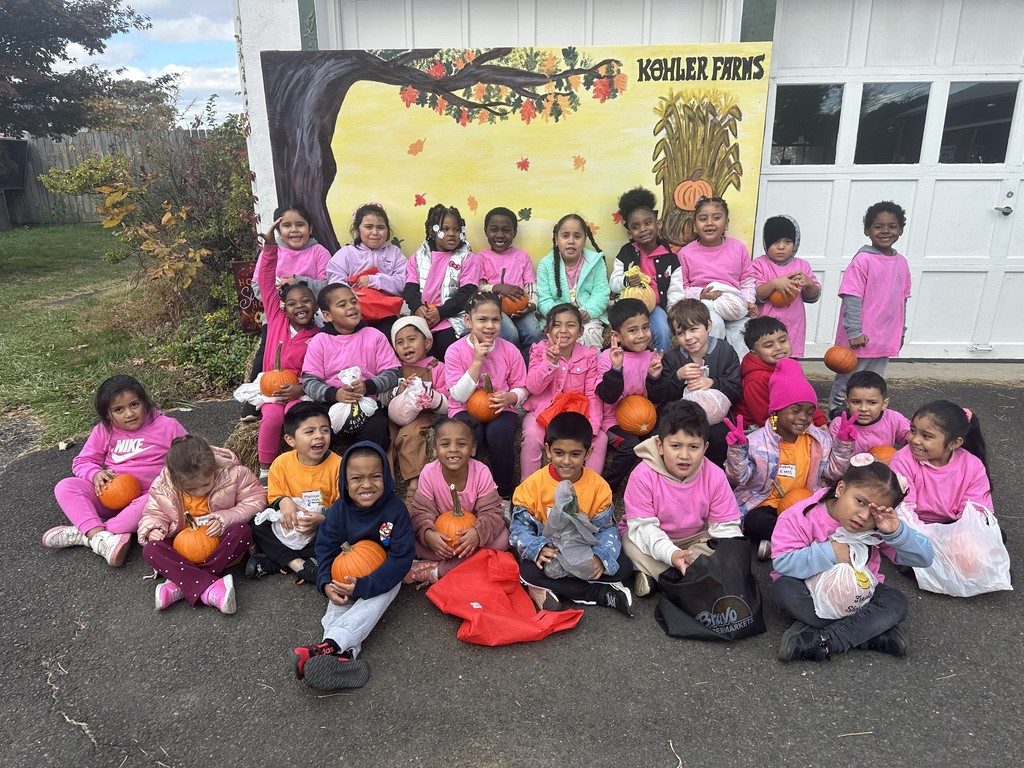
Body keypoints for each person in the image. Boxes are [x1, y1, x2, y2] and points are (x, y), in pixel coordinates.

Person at [772, 455, 934, 661]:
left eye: (874, 511)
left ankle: (824, 640)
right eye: (860, 502)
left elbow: (925, 559)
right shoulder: (800, 516)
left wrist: (897, 533)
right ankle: (869, 633)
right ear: (840, 489)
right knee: (782, 590)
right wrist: (830, 552)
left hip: (860, 597)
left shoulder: (879, 526)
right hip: (809, 593)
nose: (864, 516)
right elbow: (782, 563)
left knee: (896, 602)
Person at [292, 442, 414, 691]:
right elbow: (325, 550)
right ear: (345, 482)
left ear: (387, 478)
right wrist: (325, 583)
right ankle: (344, 656)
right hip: (345, 575)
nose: (367, 485)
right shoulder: (338, 512)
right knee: (338, 602)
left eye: (375, 477)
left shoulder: (396, 511)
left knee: (383, 592)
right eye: (357, 478)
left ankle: (327, 645)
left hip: (383, 575)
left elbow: (401, 559)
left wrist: (367, 584)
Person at [44, 375, 187, 567]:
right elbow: (82, 460)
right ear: (108, 414)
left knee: (139, 510)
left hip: (150, 497)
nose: (129, 413)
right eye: (119, 410)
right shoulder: (105, 431)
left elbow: (189, 455)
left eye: (134, 404)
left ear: (145, 402)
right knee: (66, 487)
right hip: (111, 495)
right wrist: (95, 473)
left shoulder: (168, 426)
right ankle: (101, 536)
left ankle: (86, 533)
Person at [725, 358, 856, 559]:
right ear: (776, 411)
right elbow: (739, 478)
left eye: (810, 412)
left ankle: (781, 544)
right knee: (755, 523)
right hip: (768, 505)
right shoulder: (756, 441)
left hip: (806, 503)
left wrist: (843, 446)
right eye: (795, 411)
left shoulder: (819, 440)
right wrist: (737, 450)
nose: (803, 417)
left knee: (827, 516)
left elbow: (833, 473)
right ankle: (803, 543)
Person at [509, 412, 634, 616]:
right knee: (528, 570)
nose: (566, 461)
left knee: (624, 566)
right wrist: (537, 549)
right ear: (548, 450)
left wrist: (600, 557)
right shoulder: (531, 486)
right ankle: (599, 593)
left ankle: (557, 589)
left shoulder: (599, 487)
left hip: (585, 552)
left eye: (575, 454)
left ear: (588, 453)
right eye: (559, 453)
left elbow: (607, 529)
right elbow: (518, 530)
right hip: (551, 554)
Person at [621, 401, 742, 598]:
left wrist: (730, 556)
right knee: (629, 545)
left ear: (705, 447)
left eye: (693, 447)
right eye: (675, 446)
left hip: (696, 538)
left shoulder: (715, 476)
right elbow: (643, 528)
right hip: (654, 536)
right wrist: (671, 554)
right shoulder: (643, 475)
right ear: (660, 446)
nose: (684, 455)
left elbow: (726, 526)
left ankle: (661, 577)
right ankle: (686, 577)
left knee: (722, 549)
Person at [139, 436, 266, 614]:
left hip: (219, 541)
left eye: (206, 484)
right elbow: (153, 512)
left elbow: (256, 499)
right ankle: (210, 587)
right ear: (175, 481)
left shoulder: (235, 473)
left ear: (213, 467)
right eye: (191, 489)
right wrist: (154, 528)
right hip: (182, 545)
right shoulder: (163, 485)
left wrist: (225, 517)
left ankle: (182, 583)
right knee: (151, 548)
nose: (200, 491)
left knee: (243, 532)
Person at [242, 203, 331, 421]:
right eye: (287, 225)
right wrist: (281, 299)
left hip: (313, 315)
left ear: (310, 228)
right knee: (264, 353)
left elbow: (328, 285)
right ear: (279, 230)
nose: (294, 230)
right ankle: (252, 405)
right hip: (278, 315)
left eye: (300, 224)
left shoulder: (319, 252)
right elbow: (258, 286)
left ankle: (312, 392)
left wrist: (300, 282)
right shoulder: (271, 253)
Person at [889, 401, 995, 581]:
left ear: (954, 443)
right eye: (913, 430)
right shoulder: (902, 461)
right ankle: (921, 563)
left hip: (950, 527)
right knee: (903, 544)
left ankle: (930, 565)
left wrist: (960, 538)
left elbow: (976, 509)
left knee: (991, 536)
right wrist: (927, 540)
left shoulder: (972, 465)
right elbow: (902, 509)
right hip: (914, 528)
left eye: (926, 436)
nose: (915, 440)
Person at [251, 216, 321, 480]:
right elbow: (267, 281)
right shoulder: (278, 320)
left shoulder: (318, 337)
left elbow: (320, 370)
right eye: (292, 303)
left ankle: (304, 467)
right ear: (283, 307)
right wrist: (271, 249)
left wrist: (301, 387)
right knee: (271, 419)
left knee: (298, 420)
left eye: (306, 301)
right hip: (271, 389)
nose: (299, 306)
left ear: (315, 307)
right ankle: (266, 470)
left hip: (299, 391)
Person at [827, 201, 911, 416]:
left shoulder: (901, 262)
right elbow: (852, 296)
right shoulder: (863, 260)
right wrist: (853, 331)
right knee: (849, 377)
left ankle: (866, 415)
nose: (885, 231)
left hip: (885, 336)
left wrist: (900, 331)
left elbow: (903, 299)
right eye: (878, 226)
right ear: (867, 230)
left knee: (874, 380)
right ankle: (837, 413)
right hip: (860, 338)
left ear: (901, 229)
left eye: (892, 226)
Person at [445, 291, 528, 507]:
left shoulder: (509, 350)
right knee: (469, 435)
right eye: (482, 319)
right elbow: (458, 395)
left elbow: (522, 386)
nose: (489, 326)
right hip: (463, 407)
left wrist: (511, 396)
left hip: (501, 407)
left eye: (495, 319)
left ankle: (503, 496)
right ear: (468, 321)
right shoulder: (455, 351)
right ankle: (465, 494)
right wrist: (476, 363)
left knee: (499, 434)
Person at [406, 418, 509, 586]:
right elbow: (420, 512)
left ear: (473, 448)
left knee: (503, 539)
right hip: (442, 540)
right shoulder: (429, 473)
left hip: (472, 538)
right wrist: (428, 535)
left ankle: (438, 570)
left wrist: (478, 533)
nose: (453, 449)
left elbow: (492, 512)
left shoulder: (481, 472)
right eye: (445, 444)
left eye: (461, 444)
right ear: (434, 450)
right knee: (410, 540)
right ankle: (467, 565)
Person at [301, 283, 401, 451]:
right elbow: (309, 382)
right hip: (330, 403)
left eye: (353, 302)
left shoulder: (375, 336)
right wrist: (334, 393)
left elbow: (392, 373)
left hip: (367, 402)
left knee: (376, 433)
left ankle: (365, 470)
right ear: (327, 315)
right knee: (316, 435)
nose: (351, 307)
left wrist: (368, 386)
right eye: (342, 304)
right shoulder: (320, 341)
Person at [247, 403, 339, 584]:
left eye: (324, 430)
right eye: (310, 431)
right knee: (257, 523)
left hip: (319, 527)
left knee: (341, 532)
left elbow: (343, 506)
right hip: (288, 526)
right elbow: (274, 495)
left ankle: (279, 561)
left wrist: (323, 518)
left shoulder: (338, 465)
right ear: (290, 440)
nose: (319, 436)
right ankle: (301, 565)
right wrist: (283, 501)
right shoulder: (281, 463)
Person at [648, 298, 741, 467]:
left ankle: (714, 479)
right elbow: (661, 398)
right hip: (680, 418)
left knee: (720, 437)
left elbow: (736, 390)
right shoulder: (672, 358)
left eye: (693, 329)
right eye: (681, 333)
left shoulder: (725, 351)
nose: (688, 338)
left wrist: (713, 383)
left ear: (709, 326)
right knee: (663, 439)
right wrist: (677, 377)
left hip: (716, 419)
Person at [666, 196, 756, 360]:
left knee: (743, 333)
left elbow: (747, 280)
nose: (709, 223)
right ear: (695, 226)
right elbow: (681, 287)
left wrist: (749, 301)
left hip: (733, 304)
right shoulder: (686, 253)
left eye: (716, 217)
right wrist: (701, 294)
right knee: (713, 327)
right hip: (704, 306)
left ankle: (740, 376)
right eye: (703, 219)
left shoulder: (738, 248)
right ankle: (711, 370)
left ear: (726, 223)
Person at [521, 302, 605, 477]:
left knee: (600, 439)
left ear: (580, 331)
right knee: (531, 435)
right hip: (542, 411)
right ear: (547, 330)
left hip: (575, 414)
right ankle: (528, 489)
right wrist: (550, 363)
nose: (563, 330)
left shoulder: (588, 356)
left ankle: (588, 490)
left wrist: (593, 427)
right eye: (557, 325)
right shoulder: (538, 351)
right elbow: (533, 388)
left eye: (571, 325)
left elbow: (592, 395)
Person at [596, 298, 662, 493]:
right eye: (633, 330)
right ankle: (607, 488)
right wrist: (616, 370)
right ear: (616, 335)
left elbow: (657, 398)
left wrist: (654, 378)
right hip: (613, 421)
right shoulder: (607, 357)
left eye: (645, 328)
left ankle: (659, 487)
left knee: (664, 439)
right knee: (630, 446)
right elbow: (607, 397)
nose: (642, 335)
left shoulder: (652, 356)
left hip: (646, 417)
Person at [380, 316, 449, 504]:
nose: (406, 346)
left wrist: (432, 399)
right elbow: (383, 397)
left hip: (424, 415)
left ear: (426, 342)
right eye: (400, 342)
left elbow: (448, 401)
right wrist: (398, 391)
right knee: (386, 440)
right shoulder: (395, 370)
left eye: (412, 339)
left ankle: (414, 486)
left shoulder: (437, 367)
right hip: (396, 416)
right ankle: (388, 488)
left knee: (408, 436)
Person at [403, 203, 480, 361]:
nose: (452, 234)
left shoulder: (467, 257)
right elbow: (410, 287)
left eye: (456, 229)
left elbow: (468, 292)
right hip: (423, 317)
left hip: (452, 317)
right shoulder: (419, 257)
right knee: (420, 349)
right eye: (445, 229)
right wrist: (417, 307)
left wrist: (442, 311)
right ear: (433, 230)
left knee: (446, 346)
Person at [610, 187, 679, 352]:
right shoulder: (625, 253)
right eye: (636, 226)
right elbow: (613, 283)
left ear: (658, 224)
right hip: (628, 308)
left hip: (655, 308)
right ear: (630, 233)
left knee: (662, 331)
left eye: (648, 223)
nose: (643, 229)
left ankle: (661, 367)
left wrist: (674, 313)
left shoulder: (671, 258)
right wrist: (626, 282)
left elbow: (676, 290)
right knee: (624, 333)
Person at [326, 202, 408, 341]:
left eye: (380, 227)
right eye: (368, 227)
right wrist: (348, 294)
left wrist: (373, 280)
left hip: (385, 314)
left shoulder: (394, 253)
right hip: (353, 315)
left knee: (388, 340)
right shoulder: (346, 253)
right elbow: (334, 283)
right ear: (358, 229)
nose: (375, 232)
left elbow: (403, 283)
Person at [732, 317, 826, 429]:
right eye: (768, 345)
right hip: (756, 427)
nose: (779, 347)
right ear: (754, 352)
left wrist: (820, 422)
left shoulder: (791, 367)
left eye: (782, 341)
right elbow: (763, 418)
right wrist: (806, 428)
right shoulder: (756, 379)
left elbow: (805, 398)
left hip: (790, 420)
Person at [475, 206, 544, 356]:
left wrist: (531, 305)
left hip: (521, 308)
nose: (500, 235)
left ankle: (531, 372)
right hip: (494, 309)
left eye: (506, 230)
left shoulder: (522, 257)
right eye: (494, 229)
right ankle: (509, 370)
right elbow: (478, 287)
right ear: (486, 230)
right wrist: (497, 288)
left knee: (534, 333)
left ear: (514, 232)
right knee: (510, 334)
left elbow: (530, 285)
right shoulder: (481, 257)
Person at [536, 214, 609, 349]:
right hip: (557, 319)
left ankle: (590, 369)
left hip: (586, 318)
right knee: (555, 340)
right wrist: (559, 316)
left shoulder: (595, 262)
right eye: (565, 236)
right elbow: (544, 299)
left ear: (585, 239)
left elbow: (602, 293)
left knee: (589, 334)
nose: (571, 241)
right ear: (557, 239)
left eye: (577, 236)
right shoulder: (546, 264)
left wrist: (588, 311)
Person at [751, 215, 821, 357]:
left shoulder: (802, 266)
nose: (781, 247)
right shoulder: (758, 264)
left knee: (789, 363)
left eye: (788, 242)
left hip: (792, 327)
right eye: (775, 242)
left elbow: (813, 296)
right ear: (766, 242)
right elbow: (755, 295)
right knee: (764, 365)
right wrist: (774, 283)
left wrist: (809, 284)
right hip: (765, 328)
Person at [829, 371, 910, 454]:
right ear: (847, 402)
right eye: (856, 402)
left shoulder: (894, 419)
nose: (863, 409)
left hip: (886, 465)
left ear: (884, 404)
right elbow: (833, 458)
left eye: (872, 403)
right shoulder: (839, 425)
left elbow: (914, 439)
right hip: (848, 466)